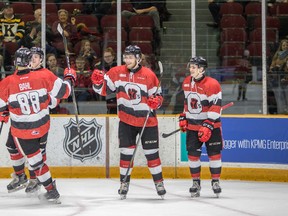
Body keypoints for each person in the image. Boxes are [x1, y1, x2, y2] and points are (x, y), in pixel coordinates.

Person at [0, 47, 76, 203]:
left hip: (23, 132)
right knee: (36, 158)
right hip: (42, 126)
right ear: (29, 62)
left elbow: (1, 107)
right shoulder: (44, 76)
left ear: (15, 62)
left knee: (35, 161)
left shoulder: (6, 83)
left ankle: (47, 188)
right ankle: (47, 188)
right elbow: (64, 92)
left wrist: (4, 113)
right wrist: (70, 78)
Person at [91, 45, 166, 199]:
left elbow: (158, 97)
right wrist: (97, 83)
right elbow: (103, 90)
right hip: (126, 121)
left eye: (130, 57)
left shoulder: (149, 75)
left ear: (138, 59)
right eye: (125, 57)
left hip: (147, 121)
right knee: (126, 154)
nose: (127, 60)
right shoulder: (116, 72)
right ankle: (124, 183)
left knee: (152, 154)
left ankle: (159, 182)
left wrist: (156, 101)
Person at [178, 56, 223, 198]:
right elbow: (187, 102)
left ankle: (215, 181)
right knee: (192, 156)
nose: (190, 69)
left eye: (194, 67)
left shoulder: (212, 84)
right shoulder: (186, 82)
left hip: (212, 126)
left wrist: (208, 123)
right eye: (190, 66)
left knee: (214, 155)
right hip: (193, 126)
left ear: (202, 69)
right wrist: (184, 115)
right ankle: (196, 182)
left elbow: (215, 106)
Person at [95, 47, 117, 114]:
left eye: (109, 56)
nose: (107, 58)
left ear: (113, 56)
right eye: (105, 57)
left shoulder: (118, 65)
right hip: (105, 91)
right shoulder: (99, 67)